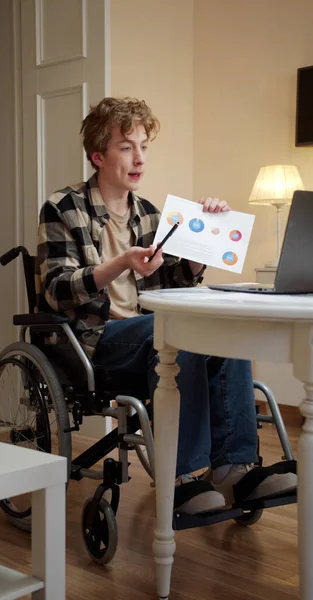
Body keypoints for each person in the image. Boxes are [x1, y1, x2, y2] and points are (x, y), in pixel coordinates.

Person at [37, 97, 296, 514]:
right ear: (98, 156)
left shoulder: (152, 215)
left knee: (221, 328)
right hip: (93, 340)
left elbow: (176, 281)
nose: (139, 158)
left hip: (145, 331)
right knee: (178, 335)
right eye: (126, 147)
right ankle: (185, 475)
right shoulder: (64, 207)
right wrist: (120, 262)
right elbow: (56, 288)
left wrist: (203, 245)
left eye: (143, 146)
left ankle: (234, 468)